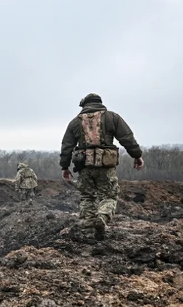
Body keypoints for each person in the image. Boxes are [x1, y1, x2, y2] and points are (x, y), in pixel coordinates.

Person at [60, 93, 144, 239]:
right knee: (109, 195)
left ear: (84, 105)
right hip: (105, 167)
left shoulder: (75, 122)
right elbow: (127, 138)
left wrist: (65, 167)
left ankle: (87, 229)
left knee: (87, 197)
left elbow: (66, 146)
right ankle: (102, 217)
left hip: (84, 166)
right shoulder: (112, 118)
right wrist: (137, 156)